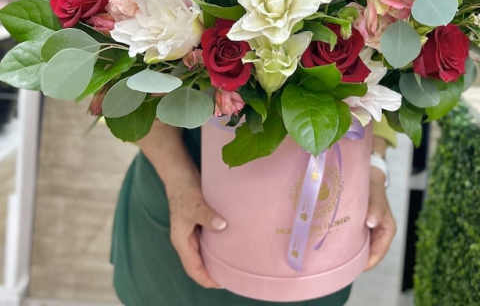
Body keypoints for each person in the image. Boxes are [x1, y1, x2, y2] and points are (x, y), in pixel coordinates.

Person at [109, 116, 397, 305]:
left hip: (321, 233)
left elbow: (386, 68)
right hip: (186, 199)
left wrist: (375, 166)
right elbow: (114, 67)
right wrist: (177, 180)